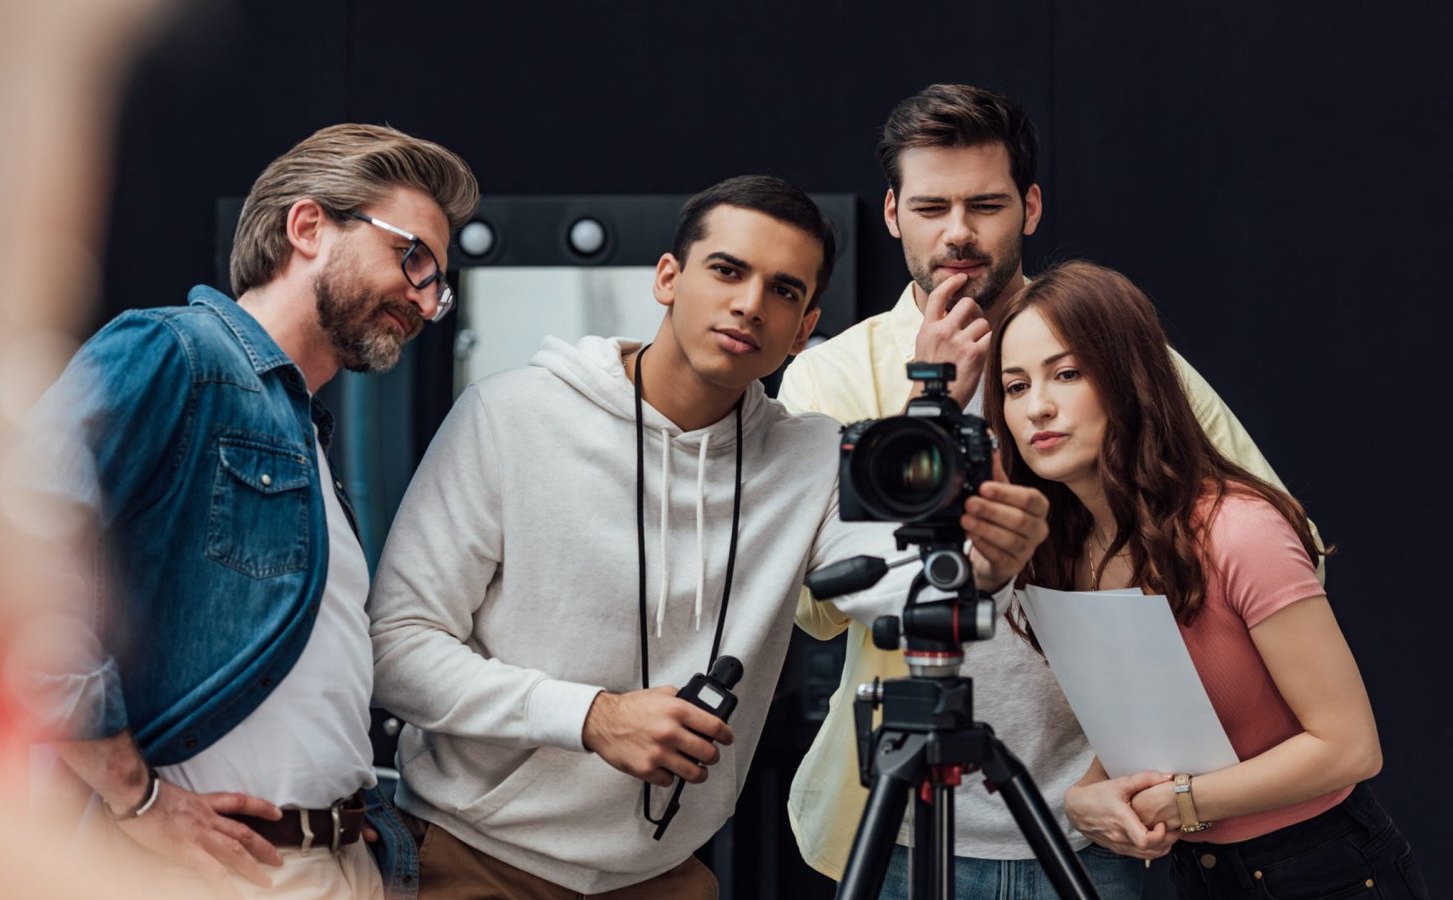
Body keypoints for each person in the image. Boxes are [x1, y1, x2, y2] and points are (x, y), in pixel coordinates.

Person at [367, 175, 1052, 899]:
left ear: (803, 325)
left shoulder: (814, 458)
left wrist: (986, 559)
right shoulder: (509, 417)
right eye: (727, 271)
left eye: (784, 292)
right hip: (475, 857)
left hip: (664, 873)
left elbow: (901, 587)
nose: (750, 304)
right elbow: (396, 648)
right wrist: (592, 717)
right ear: (669, 277)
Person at [780, 83, 1318, 898]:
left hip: (1107, 823)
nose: (958, 233)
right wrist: (931, 401)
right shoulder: (833, 374)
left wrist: (1182, 765)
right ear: (892, 214)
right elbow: (813, 606)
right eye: (931, 207)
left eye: (986, 204)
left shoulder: (1121, 356)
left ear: (1030, 208)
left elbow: (1283, 543)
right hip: (898, 821)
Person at [15, 123, 479, 899]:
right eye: (413, 257)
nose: (425, 301)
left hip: (339, 857)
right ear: (307, 227)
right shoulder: (179, 353)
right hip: (215, 870)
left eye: (438, 282)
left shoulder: (303, 434)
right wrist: (136, 795)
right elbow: (5, 565)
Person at [984, 259, 1428, 899]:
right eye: (1016, 386)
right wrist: (1087, 797)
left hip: (1326, 871)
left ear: (1127, 378)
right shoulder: (1062, 551)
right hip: (1202, 876)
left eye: (1068, 373)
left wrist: (1179, 803)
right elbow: (1144, 721)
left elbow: (1350, 747)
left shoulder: (1237, 529)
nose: (1038, 407)